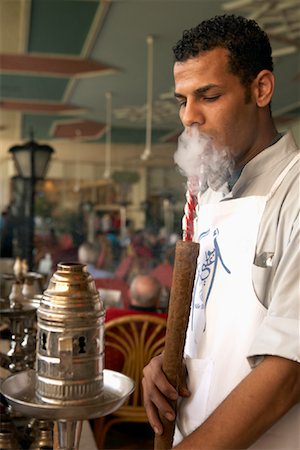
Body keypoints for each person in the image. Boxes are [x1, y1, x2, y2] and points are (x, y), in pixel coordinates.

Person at [142, 14, 299, 450]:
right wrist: (165, 359)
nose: (189, 117)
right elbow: (205, 322)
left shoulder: (296, 191)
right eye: (182, 99)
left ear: (261, 89)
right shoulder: (208, 197)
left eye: (208, 96)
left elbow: (289, 371)